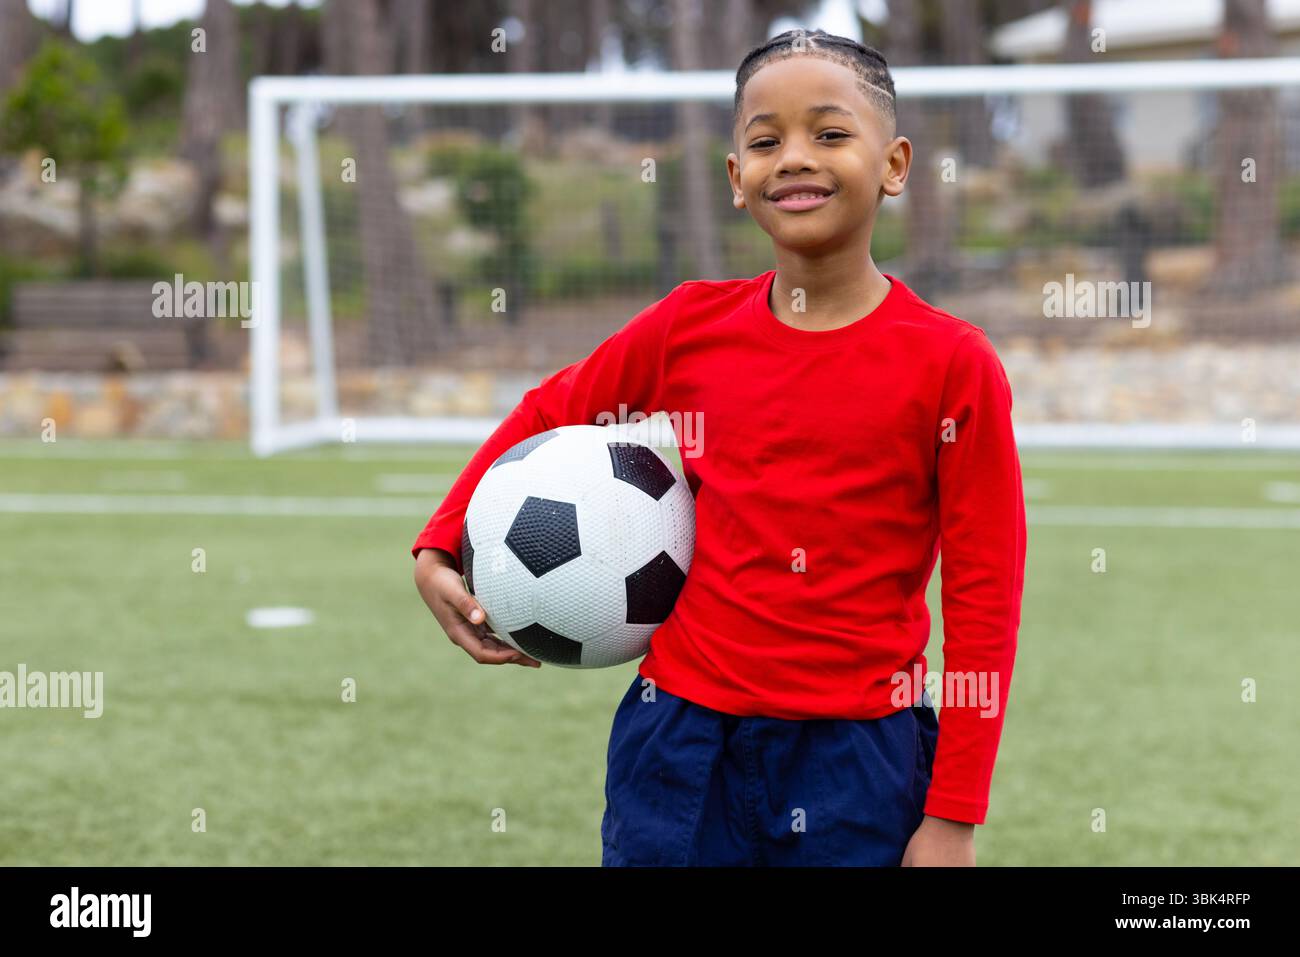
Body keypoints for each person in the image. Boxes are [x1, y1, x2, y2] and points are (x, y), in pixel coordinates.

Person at [412, 28, 1026, 867]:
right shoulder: (687, 326)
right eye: (766, 141)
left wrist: (953, 815)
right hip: (678, 744)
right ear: (737, 180)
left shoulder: (953, 363)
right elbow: (549, 411)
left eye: (831, 133)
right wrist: (441, 542)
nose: (795, 158)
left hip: (858, 759)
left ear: (895, 164)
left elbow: (985, 596)